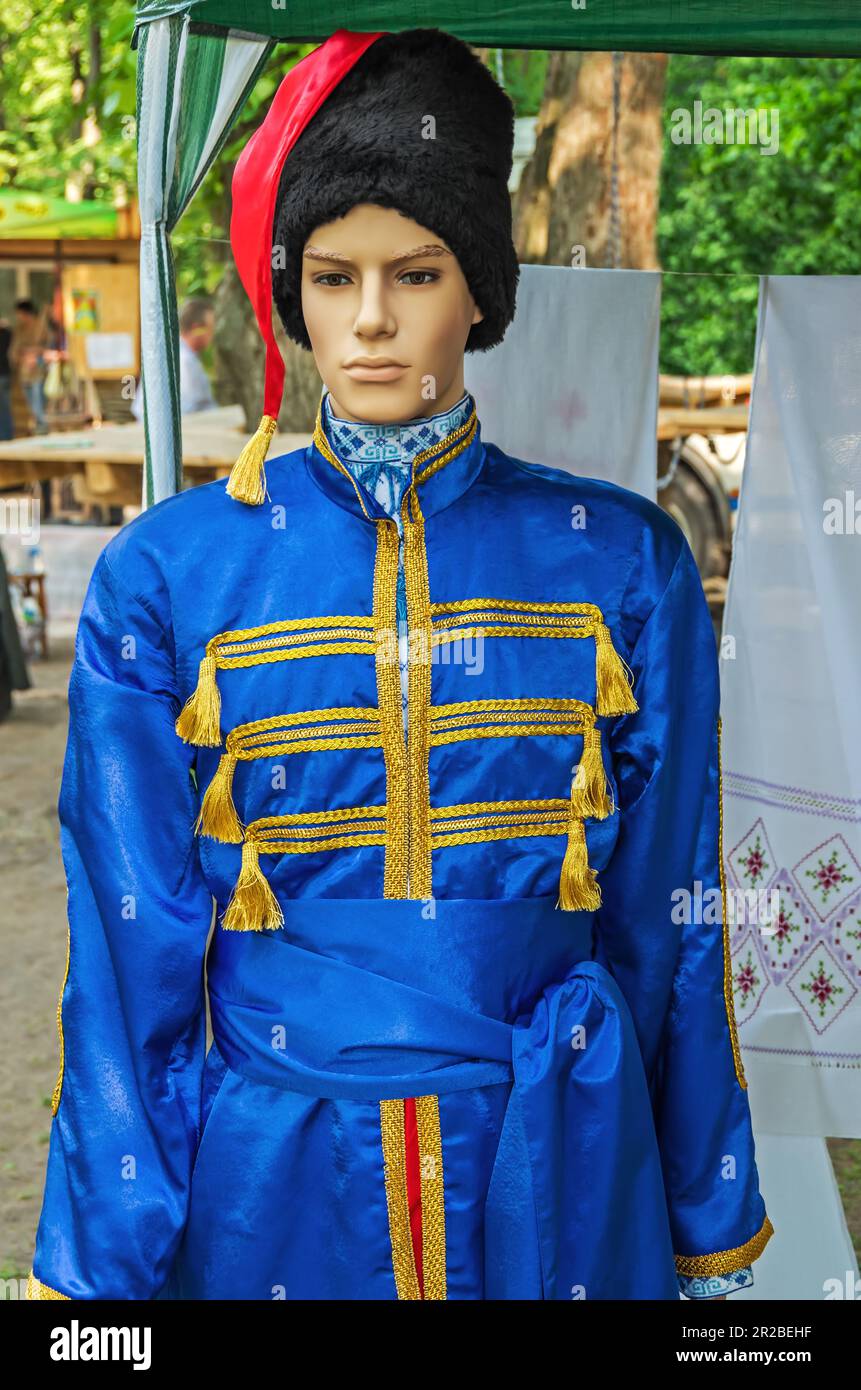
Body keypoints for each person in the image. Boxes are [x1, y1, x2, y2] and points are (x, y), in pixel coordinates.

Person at [26, 28, 773, 1301]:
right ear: (292, 292)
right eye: (330, 277)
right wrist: (104, 1275)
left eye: (416, 272)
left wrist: (701, 1203)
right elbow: (130, 956)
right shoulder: (167, 577)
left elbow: (666, 923)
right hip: (277, 1190)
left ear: (480, 287)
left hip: (563, 1169)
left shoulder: (624, 565)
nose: (370, 321)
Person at [130, 296, 217, 421]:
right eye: (210, 328)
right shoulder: (183, 361)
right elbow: (194, 412)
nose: (212, 334)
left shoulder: (176, 353)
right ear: (197, 328)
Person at [10, 299, 50, 435]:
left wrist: (34, 353)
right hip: (24, 370)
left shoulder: (40, 326)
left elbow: (47, 348)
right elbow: (14, 350)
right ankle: (38, 424)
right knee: (30, 401)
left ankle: (42, 425)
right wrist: (21, 356)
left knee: (38, 399)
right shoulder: (19, 329)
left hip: (38, 368)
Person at [0, 317, 13, 441]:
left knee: (3, 408)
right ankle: (5, 436)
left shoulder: (6, 334)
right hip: (4, 374)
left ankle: (5, 436)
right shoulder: (7, 333)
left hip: (3, 375)